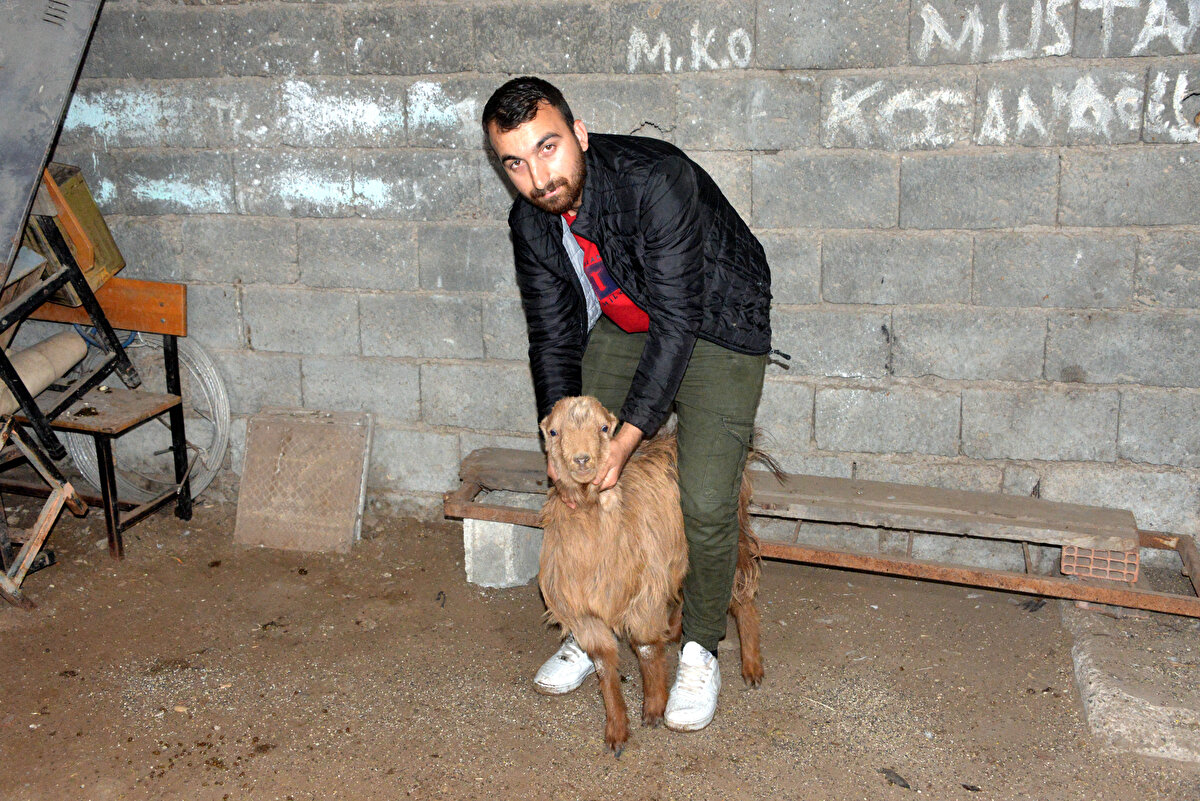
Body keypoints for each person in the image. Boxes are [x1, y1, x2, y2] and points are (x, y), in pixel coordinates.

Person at [482, 76, 773, 732]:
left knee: (702, 498)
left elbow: (678, 325)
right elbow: (552, 337)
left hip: (720, 320)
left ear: (580, 134)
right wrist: (559, 442)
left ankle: (700, 643)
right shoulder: (530, 218)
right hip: (634, 314)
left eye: (549, 147)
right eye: (516, 162)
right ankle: (597, 621)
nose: (538, 175)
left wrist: (625, 438)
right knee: (581, 468)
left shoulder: (654, 179)